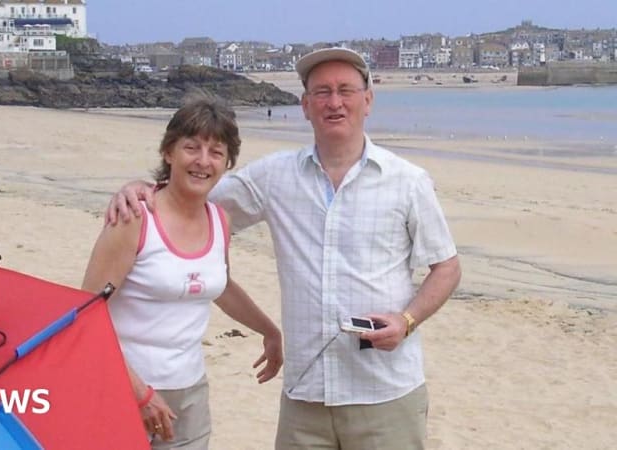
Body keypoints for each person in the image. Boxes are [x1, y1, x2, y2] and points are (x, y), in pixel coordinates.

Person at [106, 47, 462, 449]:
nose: (334, 102)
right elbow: (189, 197)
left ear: (368, 100)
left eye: (345, 90)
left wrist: (407, 320)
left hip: (385, 392)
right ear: (305, 105)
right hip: (306, 396)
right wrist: (142, 189)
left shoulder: (408, 181)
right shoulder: (275, 176)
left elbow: (447, 267)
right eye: (322, 92)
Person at [81, 97, 282, 449]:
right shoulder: (134, 217)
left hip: (190, 392)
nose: (203, 161)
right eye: (192, 148)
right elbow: (85, 315)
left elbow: (221, 286)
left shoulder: (220, 220)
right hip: (122, 387)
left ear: (227, 163)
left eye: (216, 152)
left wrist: (270, 331)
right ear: (168, 152)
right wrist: (140, 392)